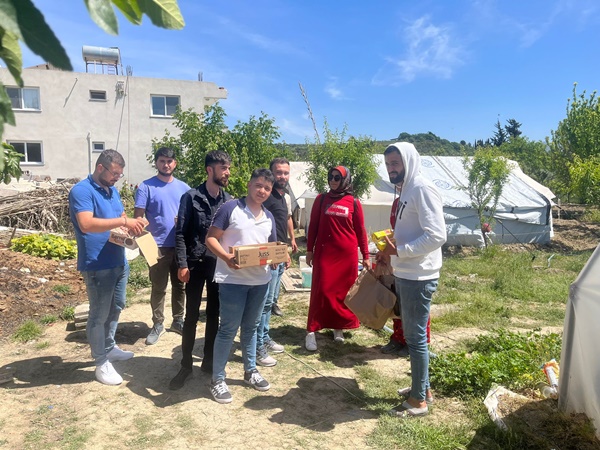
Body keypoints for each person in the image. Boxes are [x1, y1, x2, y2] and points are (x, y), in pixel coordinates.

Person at [377, 142, 446, 418]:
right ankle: (423, 387)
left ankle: (419, 401)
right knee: (414, 335)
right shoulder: (406, 189)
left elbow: (437, 235)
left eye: (396, 163)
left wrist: (401, 251)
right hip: (406, 270)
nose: (391, 169)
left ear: (408, 161)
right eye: (388, 165)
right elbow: (414, 229)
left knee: (415, 338)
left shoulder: (422, 188)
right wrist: (393, 245)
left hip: (419, 273)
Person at [69, 149, 147, 385]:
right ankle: (101, 361)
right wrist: (124, 221)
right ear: (100, 168)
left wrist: (132, 227)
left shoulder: (111, 191)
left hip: (118, 259)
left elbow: (120, 215)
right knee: (98, 313)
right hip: (97, 263)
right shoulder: (81, 191)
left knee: (116, 307)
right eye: (114, 173)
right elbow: (86, 224)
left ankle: (109, 347)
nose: (117, 178)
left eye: (120, 175)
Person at [206, 168, 277, 404]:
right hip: (233, 281)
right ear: (249, 185)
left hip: (260, 281)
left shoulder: (269, 217)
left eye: (267, 188)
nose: (262, 191)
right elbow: (211, 238)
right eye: (258, 185)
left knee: (251, 328)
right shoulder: (230, 208)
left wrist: (279, 256)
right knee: (227, 329)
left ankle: (250, 371)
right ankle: (217, 379)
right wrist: (227, 258)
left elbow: (272, 247)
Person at [168, 150, 232, 390]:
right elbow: (182, 233)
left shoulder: (229, 200)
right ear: (210, 170)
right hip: (195, 264)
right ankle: (185, 365)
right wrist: (183, 264)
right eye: (223, 168)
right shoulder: (191, 197)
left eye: (228, 168)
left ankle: (208, 360)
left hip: (219, 265)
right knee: (191, 316)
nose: (227, 172)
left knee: (215, 314)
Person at [304, 166, 370, 352]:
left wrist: (365, 255)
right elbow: (314, 226)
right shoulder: (321, 199)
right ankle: (311, 331)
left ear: (345, 180)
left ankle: (337, 327)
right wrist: (309, 250)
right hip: (325, 254)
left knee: (342, 293)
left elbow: (360, 231)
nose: (332, 180)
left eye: (337, 177)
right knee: (321, 291)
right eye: (330, 176)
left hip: (346, 256)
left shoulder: (354, 202)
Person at [134, 147, 190, 345]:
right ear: (156, 163)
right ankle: (158, 324)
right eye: (162, 161)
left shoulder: (184, 188)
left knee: (180, 285)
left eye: (170, 161)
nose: (166, 164)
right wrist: (142, 237)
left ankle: (178, 321)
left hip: (180, 244)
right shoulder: (146, 187)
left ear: (175, 163)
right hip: (155, 246)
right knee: (158, 287)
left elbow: (191, 216)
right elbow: (138, 218)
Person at [255, 157, 298, 367]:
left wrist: (288, 246)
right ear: (272, 175)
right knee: (262, 304)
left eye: (285, 173)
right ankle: (257, 345)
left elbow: (284, 222)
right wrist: (273, 253)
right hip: (269, 256)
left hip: (280, 254)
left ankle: (264, 337)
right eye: (278, 172)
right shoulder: (265, 197)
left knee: (270, 302)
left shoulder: (284, 196)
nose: (282, 176)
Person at [380, 195, 432, 358]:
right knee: (398, 302)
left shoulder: (422, 197)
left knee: (416, 306)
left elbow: (431, 234)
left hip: (417, 263)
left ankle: (416, 342)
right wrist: (386, 252)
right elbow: (395, 232)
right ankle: (398, 338)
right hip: (399, 261)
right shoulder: (397, 203)